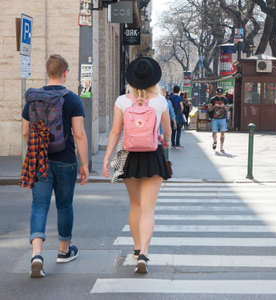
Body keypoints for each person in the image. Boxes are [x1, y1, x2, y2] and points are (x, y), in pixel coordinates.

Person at [21, 54, 89, 278]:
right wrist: (85, 164)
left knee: (39, 205)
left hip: (40, 160)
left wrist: (38, 149)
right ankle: (63, 250)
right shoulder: (72, 99)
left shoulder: (33, 98)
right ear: (65, 73)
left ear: (47, 72)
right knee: (64, 205)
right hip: (66, 158)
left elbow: (25, 131)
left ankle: (37, 254)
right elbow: (78, 133)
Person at [102, 57, 171, 274]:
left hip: (128, 155)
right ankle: (144, 253)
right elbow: (167, 131)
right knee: (148, 208)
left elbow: (115, 132)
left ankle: (136, 248)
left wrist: (107, 159)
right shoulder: (160, 102)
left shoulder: (122, 101)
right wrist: (166, 142)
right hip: (153, 154)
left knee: (135, 205)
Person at [209, 88, 229, 153]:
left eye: (220, 94)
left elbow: (228, 109)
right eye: (218, 94)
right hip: (215, 119)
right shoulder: (212, 99)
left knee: (222, 133)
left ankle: (221, 147)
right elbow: (209, 109)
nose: (219, 95)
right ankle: (215, 141)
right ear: (216, 93)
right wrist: (214, 106)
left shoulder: (225, 99)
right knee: (214, 133)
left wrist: (224, 106)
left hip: (223, 119)